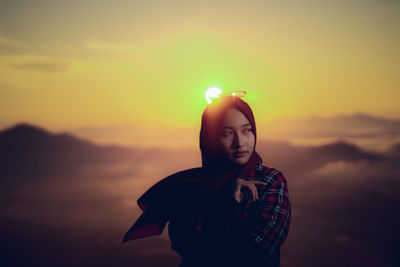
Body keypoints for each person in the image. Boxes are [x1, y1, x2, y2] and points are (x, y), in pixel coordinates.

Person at [122, 95, 291, 267]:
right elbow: (183, 244)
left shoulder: (270, 181)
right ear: (209, 139)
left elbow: (257, 252)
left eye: (246, 130)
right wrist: (222, 200)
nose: (240, 142)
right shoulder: (191, 187)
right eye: (227, 133)